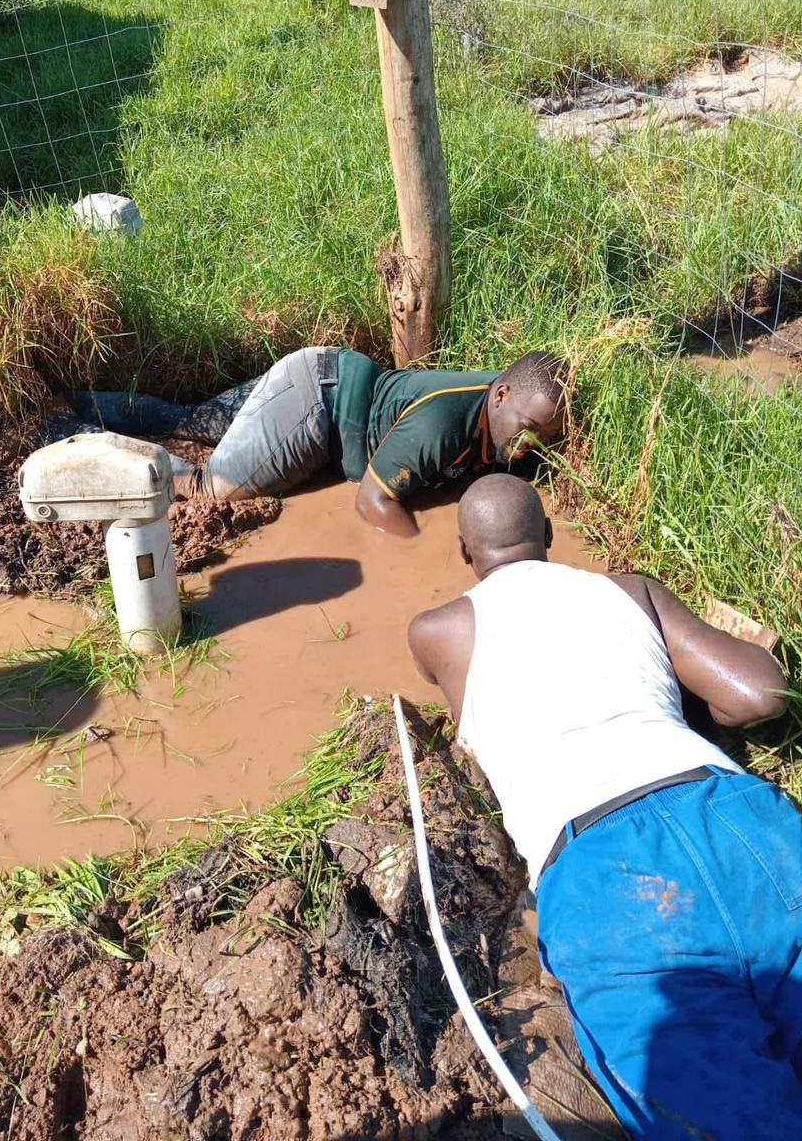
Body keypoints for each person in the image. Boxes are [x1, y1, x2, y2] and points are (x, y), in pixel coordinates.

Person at [407, 474, 799, 1140]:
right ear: (552, 537)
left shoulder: (437, 630)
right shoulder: (629, 589)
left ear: (463, 551)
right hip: (738, 816)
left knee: (724, 1115)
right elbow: (760, 695)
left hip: (607, 875)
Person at [68, 347, 567, 537]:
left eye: (546, 436)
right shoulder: (444, 422)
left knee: (188, 420)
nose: (533, 442)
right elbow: (372, 501)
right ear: (499, 394)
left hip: (322, 381)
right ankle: (73, 439)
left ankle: (75, 402)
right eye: (529, 426)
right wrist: (419, 546)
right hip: (316, 405)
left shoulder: (507, 422)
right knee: (208, 488)